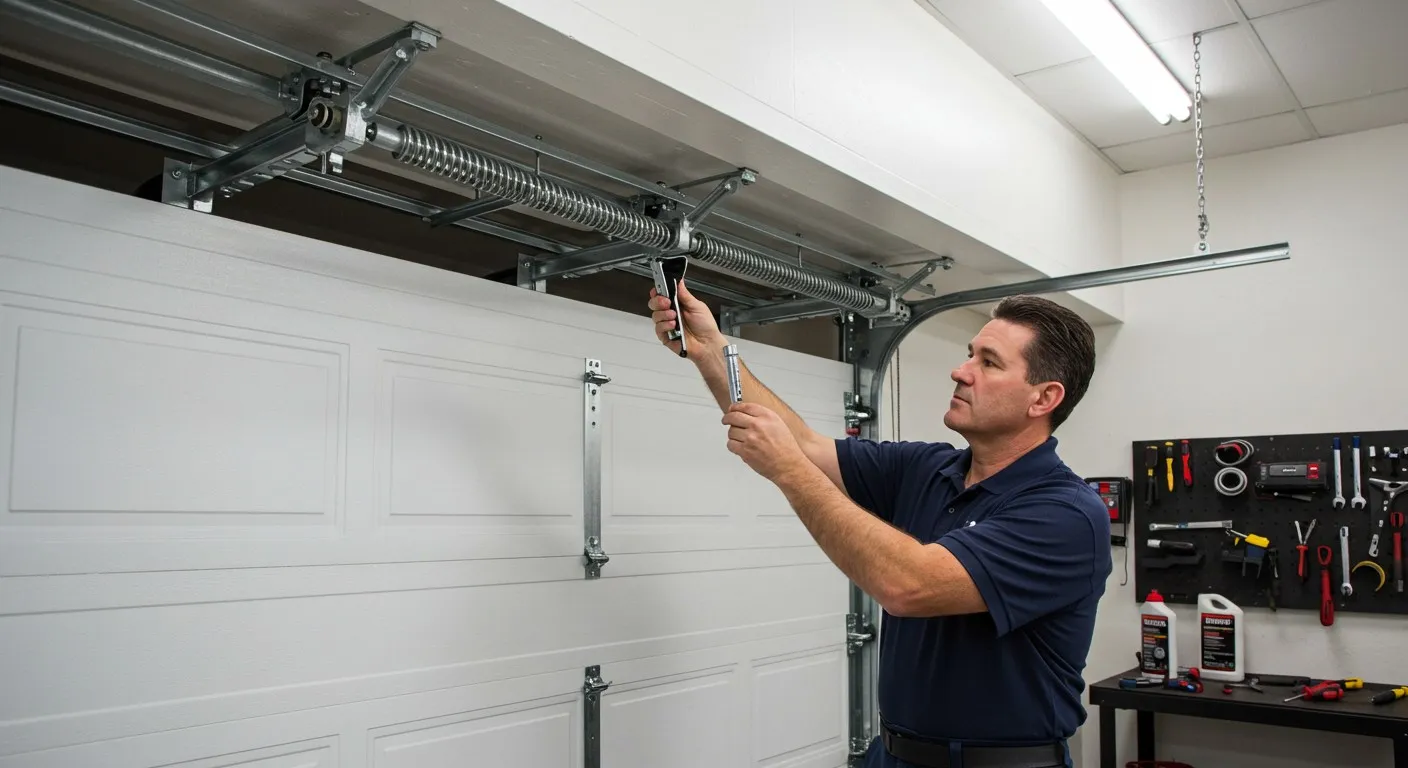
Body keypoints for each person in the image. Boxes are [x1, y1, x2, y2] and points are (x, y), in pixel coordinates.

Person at [649, 280, 1111, 768]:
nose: (960, 371)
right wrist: (710, 349)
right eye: (969, 354)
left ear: (1043, 399)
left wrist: (788, 471)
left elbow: (908, 585)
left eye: (988, 362)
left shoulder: (1066, 515)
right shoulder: (927, 469)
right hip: (892, 754)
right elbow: (803, 444)